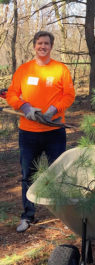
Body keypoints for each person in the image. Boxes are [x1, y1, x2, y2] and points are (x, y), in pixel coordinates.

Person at [6, 31, 75, 232]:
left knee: (59, 173)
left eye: (46, 43)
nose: (42, 46)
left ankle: (66, 215)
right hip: (28, 133)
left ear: (51, 46)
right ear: (34, 46)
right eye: (39, 43)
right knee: (28, 174)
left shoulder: (60, 69)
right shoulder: (24, 70)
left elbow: (69, 95)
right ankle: (28, 216)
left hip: (54, 131)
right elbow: (11, 94)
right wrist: (25, 107)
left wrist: (54, 109)